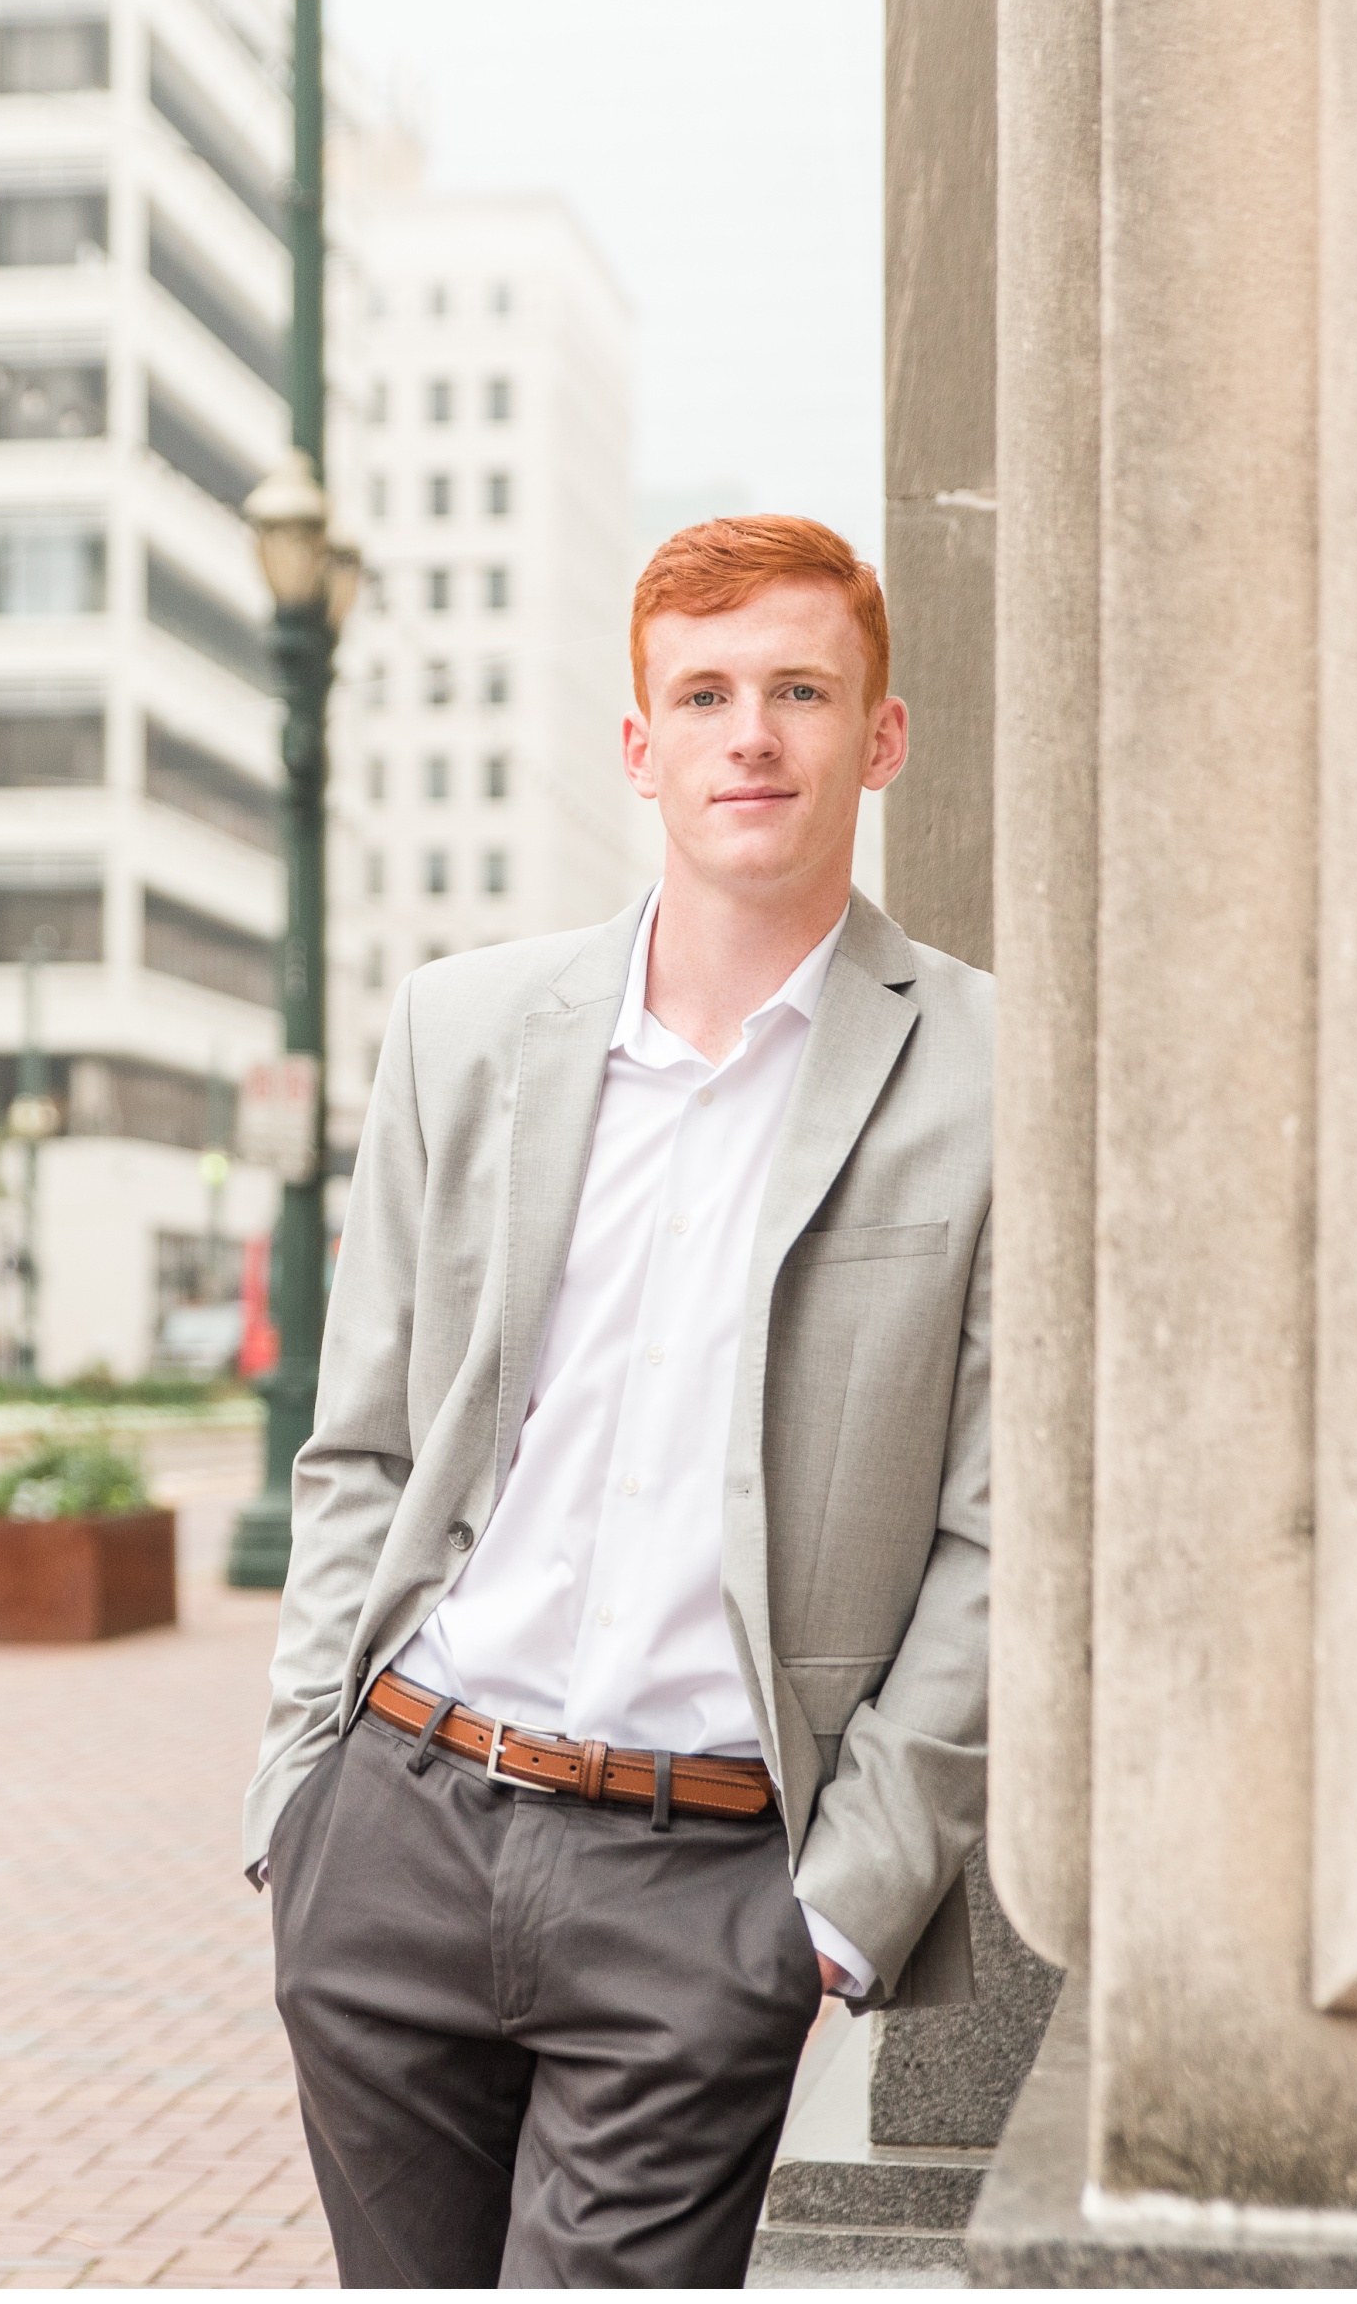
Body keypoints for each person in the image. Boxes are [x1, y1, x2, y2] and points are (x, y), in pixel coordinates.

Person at [247, 516, 993, 2287]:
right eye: (709, 694)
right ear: (642, 746)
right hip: (404, 1829)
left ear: (878, 738)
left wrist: (836, 1903)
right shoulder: (464, 1029)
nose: (756, 734)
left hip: (710, 1881)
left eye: (802, 692)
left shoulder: (991, 1070)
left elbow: (1008, 1536)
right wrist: (301, 1797)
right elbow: (358, 1442)